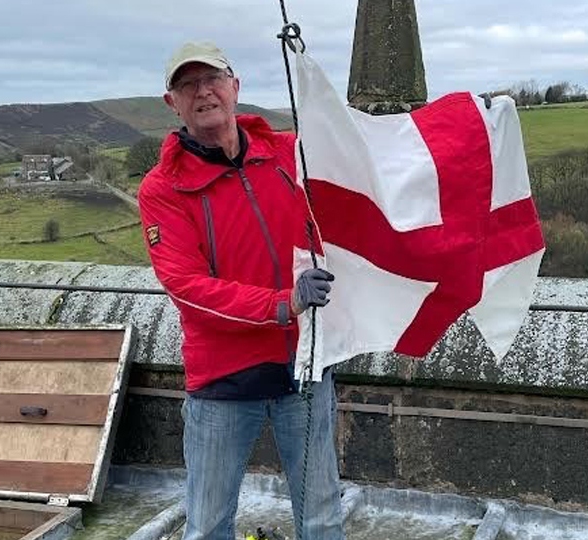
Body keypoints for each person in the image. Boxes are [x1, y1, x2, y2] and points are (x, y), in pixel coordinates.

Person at [137, 41, 345, 540]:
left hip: (305, 366)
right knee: (208, 525)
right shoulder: (162, 188)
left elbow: (364, 171)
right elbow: (187, 288)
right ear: (173, 102)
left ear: (236, 87)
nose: (203, 92)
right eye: (188, 84)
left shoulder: (289, 152)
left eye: (213, 79)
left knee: (321, 518)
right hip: (223, 383)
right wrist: (283, 304)